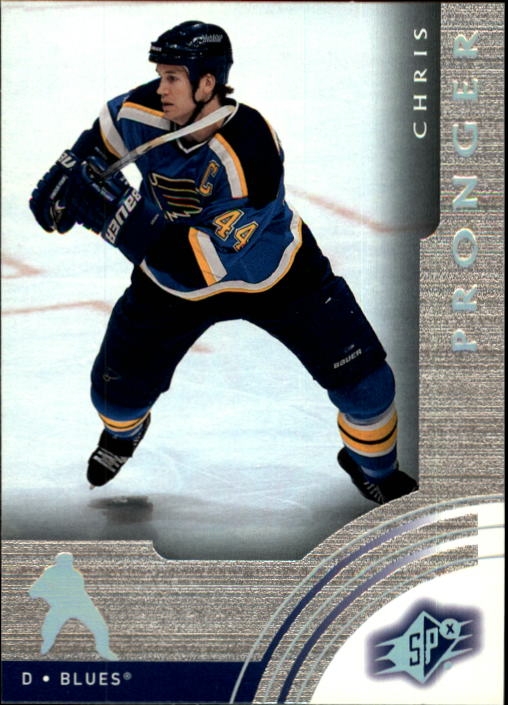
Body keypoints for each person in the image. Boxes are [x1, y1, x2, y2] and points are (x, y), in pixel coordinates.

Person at [29, 20, 417, 505]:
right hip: (169, 285)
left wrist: (117, 219)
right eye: (161, 74)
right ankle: (125, 432)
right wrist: (66, 176)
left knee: (368, 389)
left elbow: (197, 264)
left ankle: (375, 470)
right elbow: (96, 147)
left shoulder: (250, 150)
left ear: (207, 83)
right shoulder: (142, 109)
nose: (161, 87)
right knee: (112, 398)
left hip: (275, 275)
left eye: (173, 77)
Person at [28, 552, 118, 660]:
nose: (66, 564)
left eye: (68, 562)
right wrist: (52, 599)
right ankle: (44, 648)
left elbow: (77, 594)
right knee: (49, 629)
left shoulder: (76, 574)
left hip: (82, 605)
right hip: (62, 607)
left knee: (101, 627)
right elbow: (33, 592)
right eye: (63, 562)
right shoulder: (50, 573)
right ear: (58, 562)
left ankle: (103, 649)